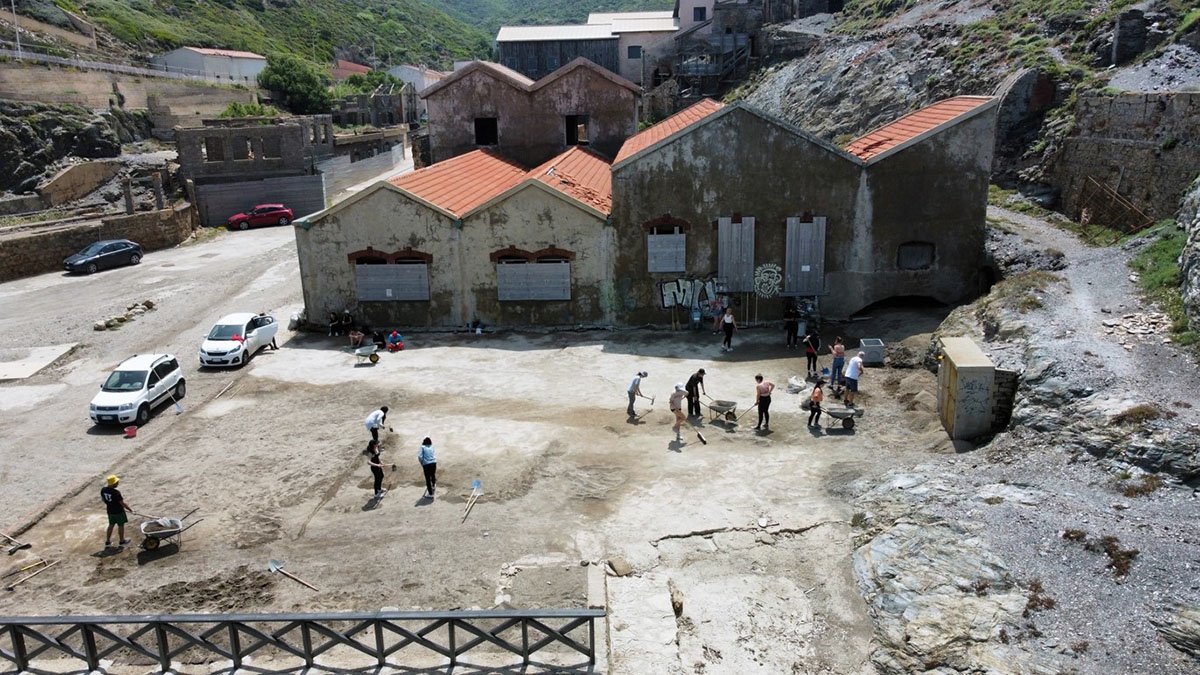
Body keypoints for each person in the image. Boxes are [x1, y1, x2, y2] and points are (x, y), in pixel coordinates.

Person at [101, 475, 133, 548]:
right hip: (119, 512)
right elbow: (122, 503)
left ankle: (108, 541)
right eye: (116, 482)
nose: (117, 483)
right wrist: (130, 509)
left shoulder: (103, 490)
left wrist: (110, 504)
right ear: (112, 484)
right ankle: (122, 541)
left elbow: (103, 500)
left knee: (111, 525)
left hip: (110, 511)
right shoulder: (116, 492)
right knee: (121, 525)